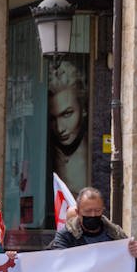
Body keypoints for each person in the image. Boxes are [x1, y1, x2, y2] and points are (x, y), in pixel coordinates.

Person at [48, 59, 90, 191]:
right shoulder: (48, 156)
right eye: (53, 118)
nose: (60, 129)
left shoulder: (92, 153)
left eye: (67, 114)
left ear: (83, 108)